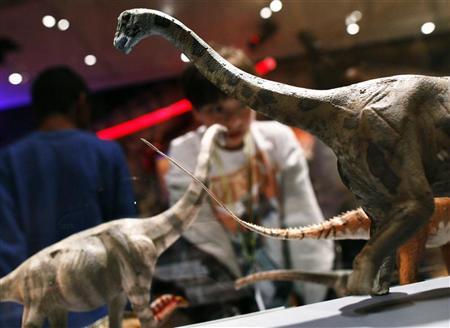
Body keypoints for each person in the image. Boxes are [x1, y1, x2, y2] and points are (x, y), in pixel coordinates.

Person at [156, 45, 335, 324]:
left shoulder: (277, 138)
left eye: (243, 104)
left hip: (291, 270)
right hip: (227, 284)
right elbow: (201, 233)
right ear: (198, 112)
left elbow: (303, 214)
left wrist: (313, 286)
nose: (235, 120)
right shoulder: (185, 154)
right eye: (218, 109)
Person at [0, 66, 137, 327]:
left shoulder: (8, 161)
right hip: (102, 309)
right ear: (81, 102)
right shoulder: (106, 153)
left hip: (35, 313)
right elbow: (125, 236)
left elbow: (6, 248)